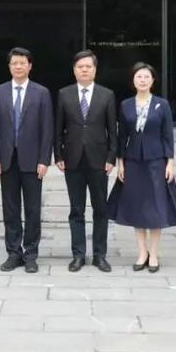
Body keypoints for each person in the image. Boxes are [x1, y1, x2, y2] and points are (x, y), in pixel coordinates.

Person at [110, 62, 176, 273]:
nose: (142, 80)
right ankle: (141, 252)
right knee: (137, 206)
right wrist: (120, 163)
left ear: (153, 80)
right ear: (133, 80)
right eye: (139, 77)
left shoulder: (162, 104)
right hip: (133, 161)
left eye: (146, 77)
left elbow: (168, 135)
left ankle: (154, 253)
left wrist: (170, 162)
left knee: (155, 207)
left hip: (156, 161)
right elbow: (122, 136)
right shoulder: (125, 105)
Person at [0, 47, 53, 274]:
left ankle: (31, 254)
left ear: (29, 66)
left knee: (33, 210)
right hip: (7, 160)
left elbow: (47, 129)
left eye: (22, 62)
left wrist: (44, 159)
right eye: (14, 63)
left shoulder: (41, 93)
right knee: (11, 209)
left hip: (33, 161)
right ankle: (14, 253)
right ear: (9, 66)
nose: (18, 66)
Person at [54, 50, 117, 272]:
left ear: (95, 70)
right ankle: (78, 255)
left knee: (101, 209)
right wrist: (58, 155)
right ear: (74, 70)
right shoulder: (64, 94)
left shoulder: (106, 95)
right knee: (76, 209)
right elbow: (58, 128)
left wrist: (111, 157)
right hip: (72, 160)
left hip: (99, 160)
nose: (84, 70)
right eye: (80, 67)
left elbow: (112, 130)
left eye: (88, 66)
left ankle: (100, 255)